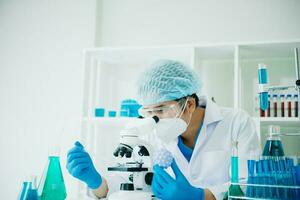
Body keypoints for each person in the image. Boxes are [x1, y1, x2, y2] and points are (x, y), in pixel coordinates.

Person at [66, 60, 260, 200]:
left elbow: (250, 186)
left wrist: (203, 197)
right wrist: (94, 181)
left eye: (161, 110)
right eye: (149, 112)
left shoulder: (236, 122)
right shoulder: (152, 131)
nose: (154, 119)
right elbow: (125, 183)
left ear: (190, 104)